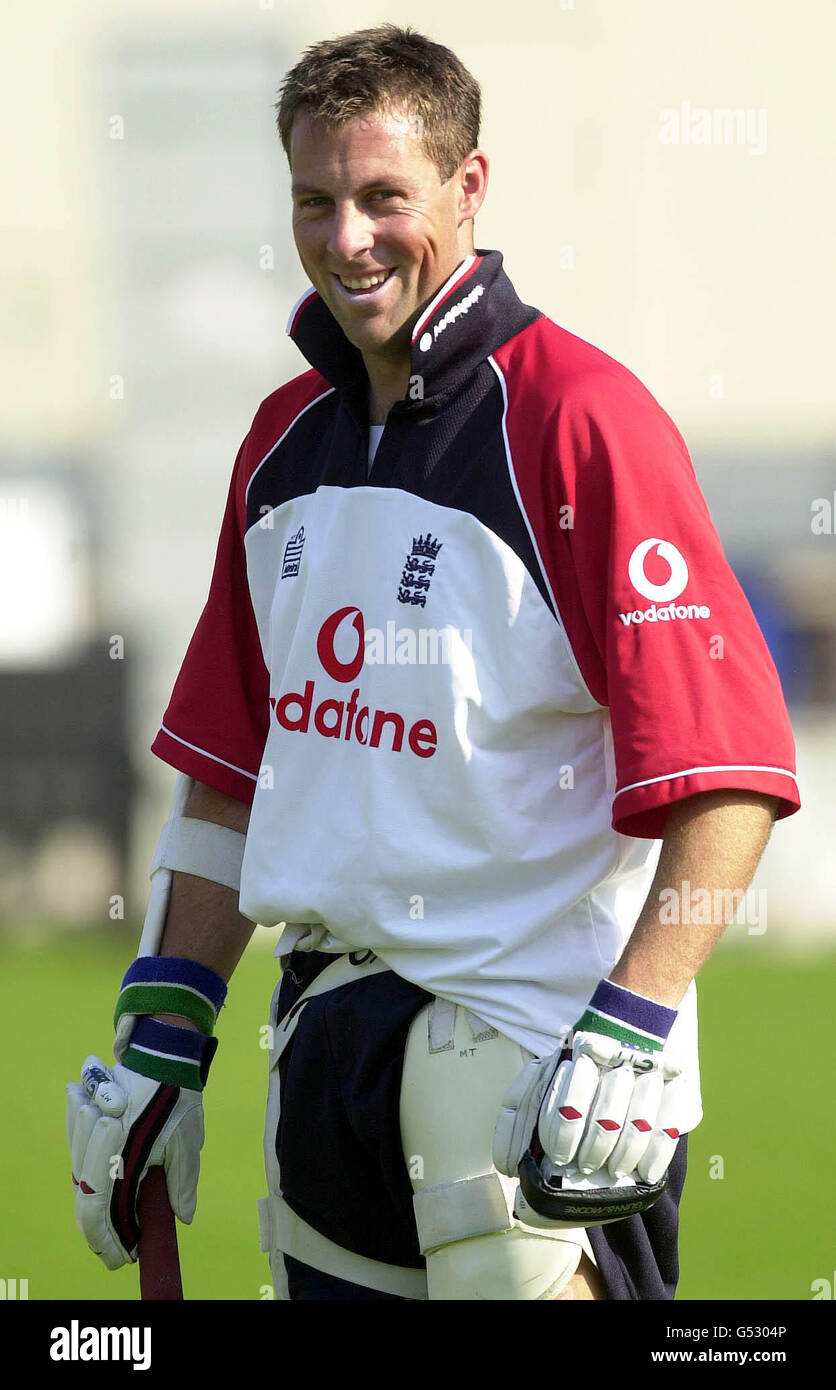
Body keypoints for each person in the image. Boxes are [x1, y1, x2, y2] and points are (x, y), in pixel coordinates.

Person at [67, 23, 799, 1302]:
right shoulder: (280, 440)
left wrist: (636, 1019)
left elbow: (725, 771)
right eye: (314, 199)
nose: (347, 237)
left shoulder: (581, 420)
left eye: (382, 197)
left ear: (467, 188)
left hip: (530, 1076)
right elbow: (234, 774)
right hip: (324, 1062)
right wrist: (166, 1025)